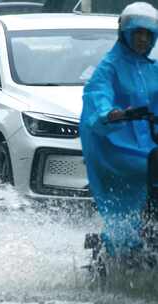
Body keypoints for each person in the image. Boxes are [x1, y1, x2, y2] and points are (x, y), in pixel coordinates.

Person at [80, 2, 158, 257]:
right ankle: (124, 241)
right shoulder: (109, 66)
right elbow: (97, 94)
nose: (142, 39)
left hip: (149, 146)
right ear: (125, 33)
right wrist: (110, 113)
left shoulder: (152, 68)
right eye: (137, 33)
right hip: (116, 147)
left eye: (147, 34)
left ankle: (149, 229)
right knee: (147, 170)